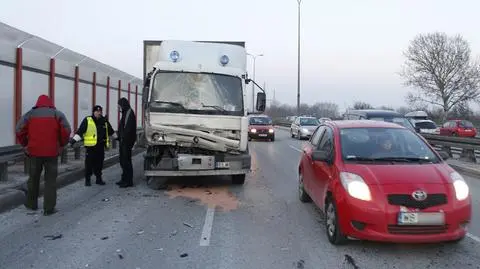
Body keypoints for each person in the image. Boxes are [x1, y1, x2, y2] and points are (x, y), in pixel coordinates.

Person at [15, 94, 71, 216]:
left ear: (38, 103)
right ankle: (49, 208)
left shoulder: (30, 114)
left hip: (34, 152)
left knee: (33, 178)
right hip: (51, 153)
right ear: (50, 103)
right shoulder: (57, 114)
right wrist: (61, 144)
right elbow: (66, 130)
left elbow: (19, 129)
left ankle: (31, 204)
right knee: (50, 180)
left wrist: (25, 144)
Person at [70, 105, 115, 186]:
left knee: (99, 164)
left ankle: (99, 178)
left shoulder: (104, 121)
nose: (98, 113)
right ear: (93, 112)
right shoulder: (88, 120)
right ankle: (88, 179)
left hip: (100, 146)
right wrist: (73, 140)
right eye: (97, 111)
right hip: (90, 147)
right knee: (89, 164)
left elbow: (111, 131)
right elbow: (80, 131)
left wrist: (119, 138)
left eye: (100, 111)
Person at [116, 97, 137, 188]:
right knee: (122, 161)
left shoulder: (129, 113)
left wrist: (123, 138)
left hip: (126, 142)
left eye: (119, 106)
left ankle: (128, 181)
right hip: (123, 141)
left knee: (126, 161)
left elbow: (128, 129)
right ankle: (124, 178)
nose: (118, 108)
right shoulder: (125, 113)